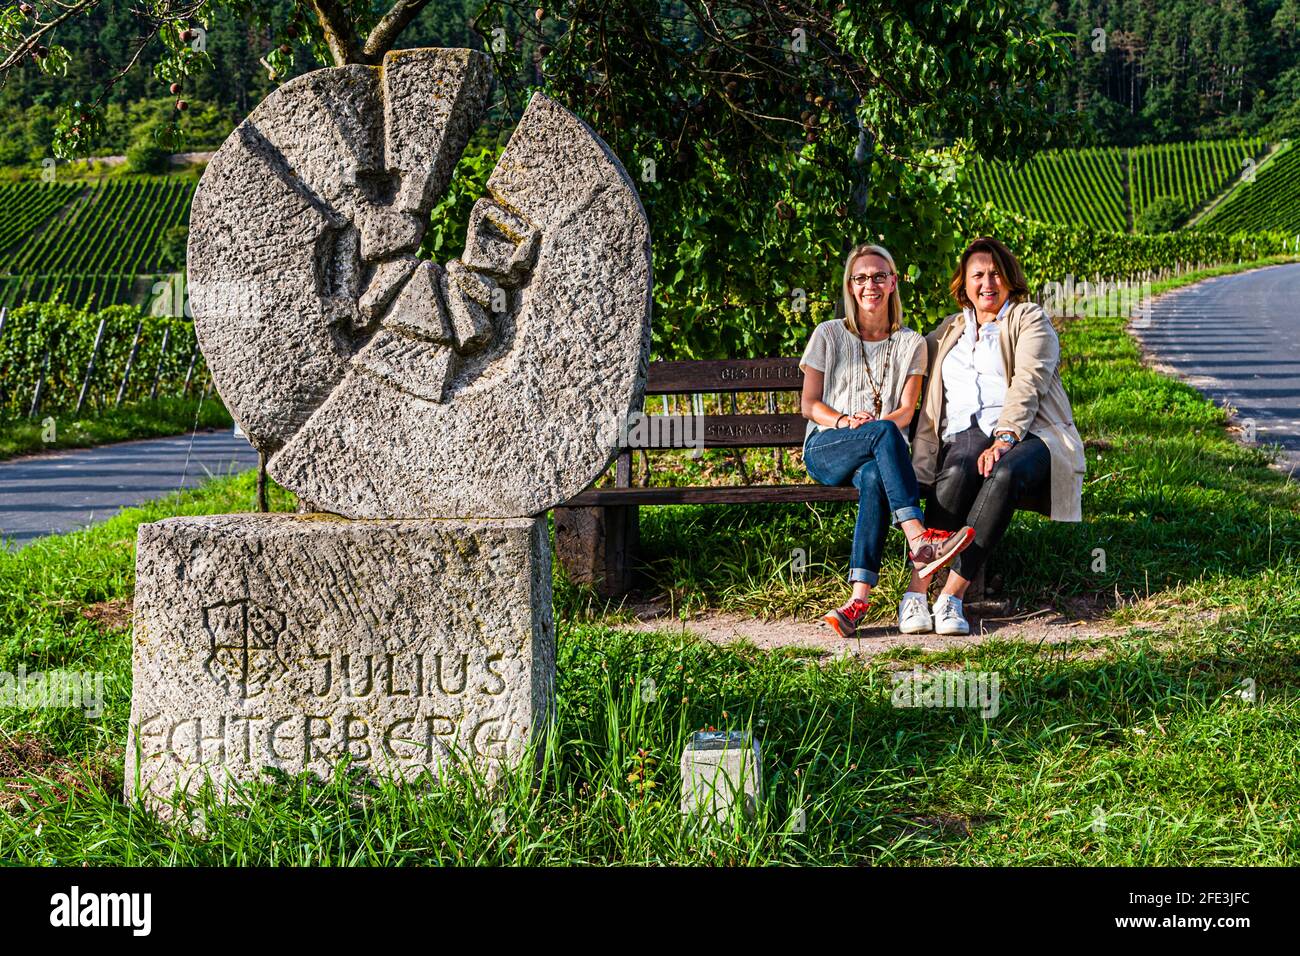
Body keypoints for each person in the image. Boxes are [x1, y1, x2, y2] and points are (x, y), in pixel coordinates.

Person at [903, 237, 1087, 637]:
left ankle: (951, 596)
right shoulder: (945, 333)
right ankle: (915, 593)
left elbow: (1028, 382)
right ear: (963, 285)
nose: (988, 282)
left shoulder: (1028, 319)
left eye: (995, 273)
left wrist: (1004, 438)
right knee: (956, 468)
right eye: (978, 275)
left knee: (1001, 473)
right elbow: (905, 360)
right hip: (965, 434)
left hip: (1030, 435)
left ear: (1010, 278)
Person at [800, 242, 974, 639]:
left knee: (878, 471)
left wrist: (874, 427)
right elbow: (809, 404)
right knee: (880, 432)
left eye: (879, 276)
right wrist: (846, 421)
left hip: (878, 453)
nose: (870, 285)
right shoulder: (828, 334)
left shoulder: (911, 344)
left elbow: (906, 412)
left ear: (893, 282)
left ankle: (857, 600)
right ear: (850, 286)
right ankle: (919, 540)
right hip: (828, 446)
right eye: (860, 278)